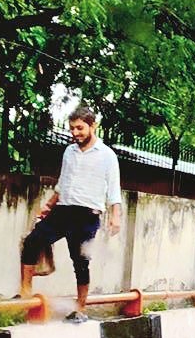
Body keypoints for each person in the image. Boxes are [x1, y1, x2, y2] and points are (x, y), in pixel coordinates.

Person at [18, 106, 122, 323]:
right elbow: (62, 183)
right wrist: (48, 205)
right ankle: (25, 292)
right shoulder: (69, 152)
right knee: (32, 241)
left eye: (80, 128)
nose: (75, 133)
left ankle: (80, 309)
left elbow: (114, 190)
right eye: (72, 128)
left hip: (87, 216)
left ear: (93, 126)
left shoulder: (107, 156)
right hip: (62, 210)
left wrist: (116, 216)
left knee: (80, 262)